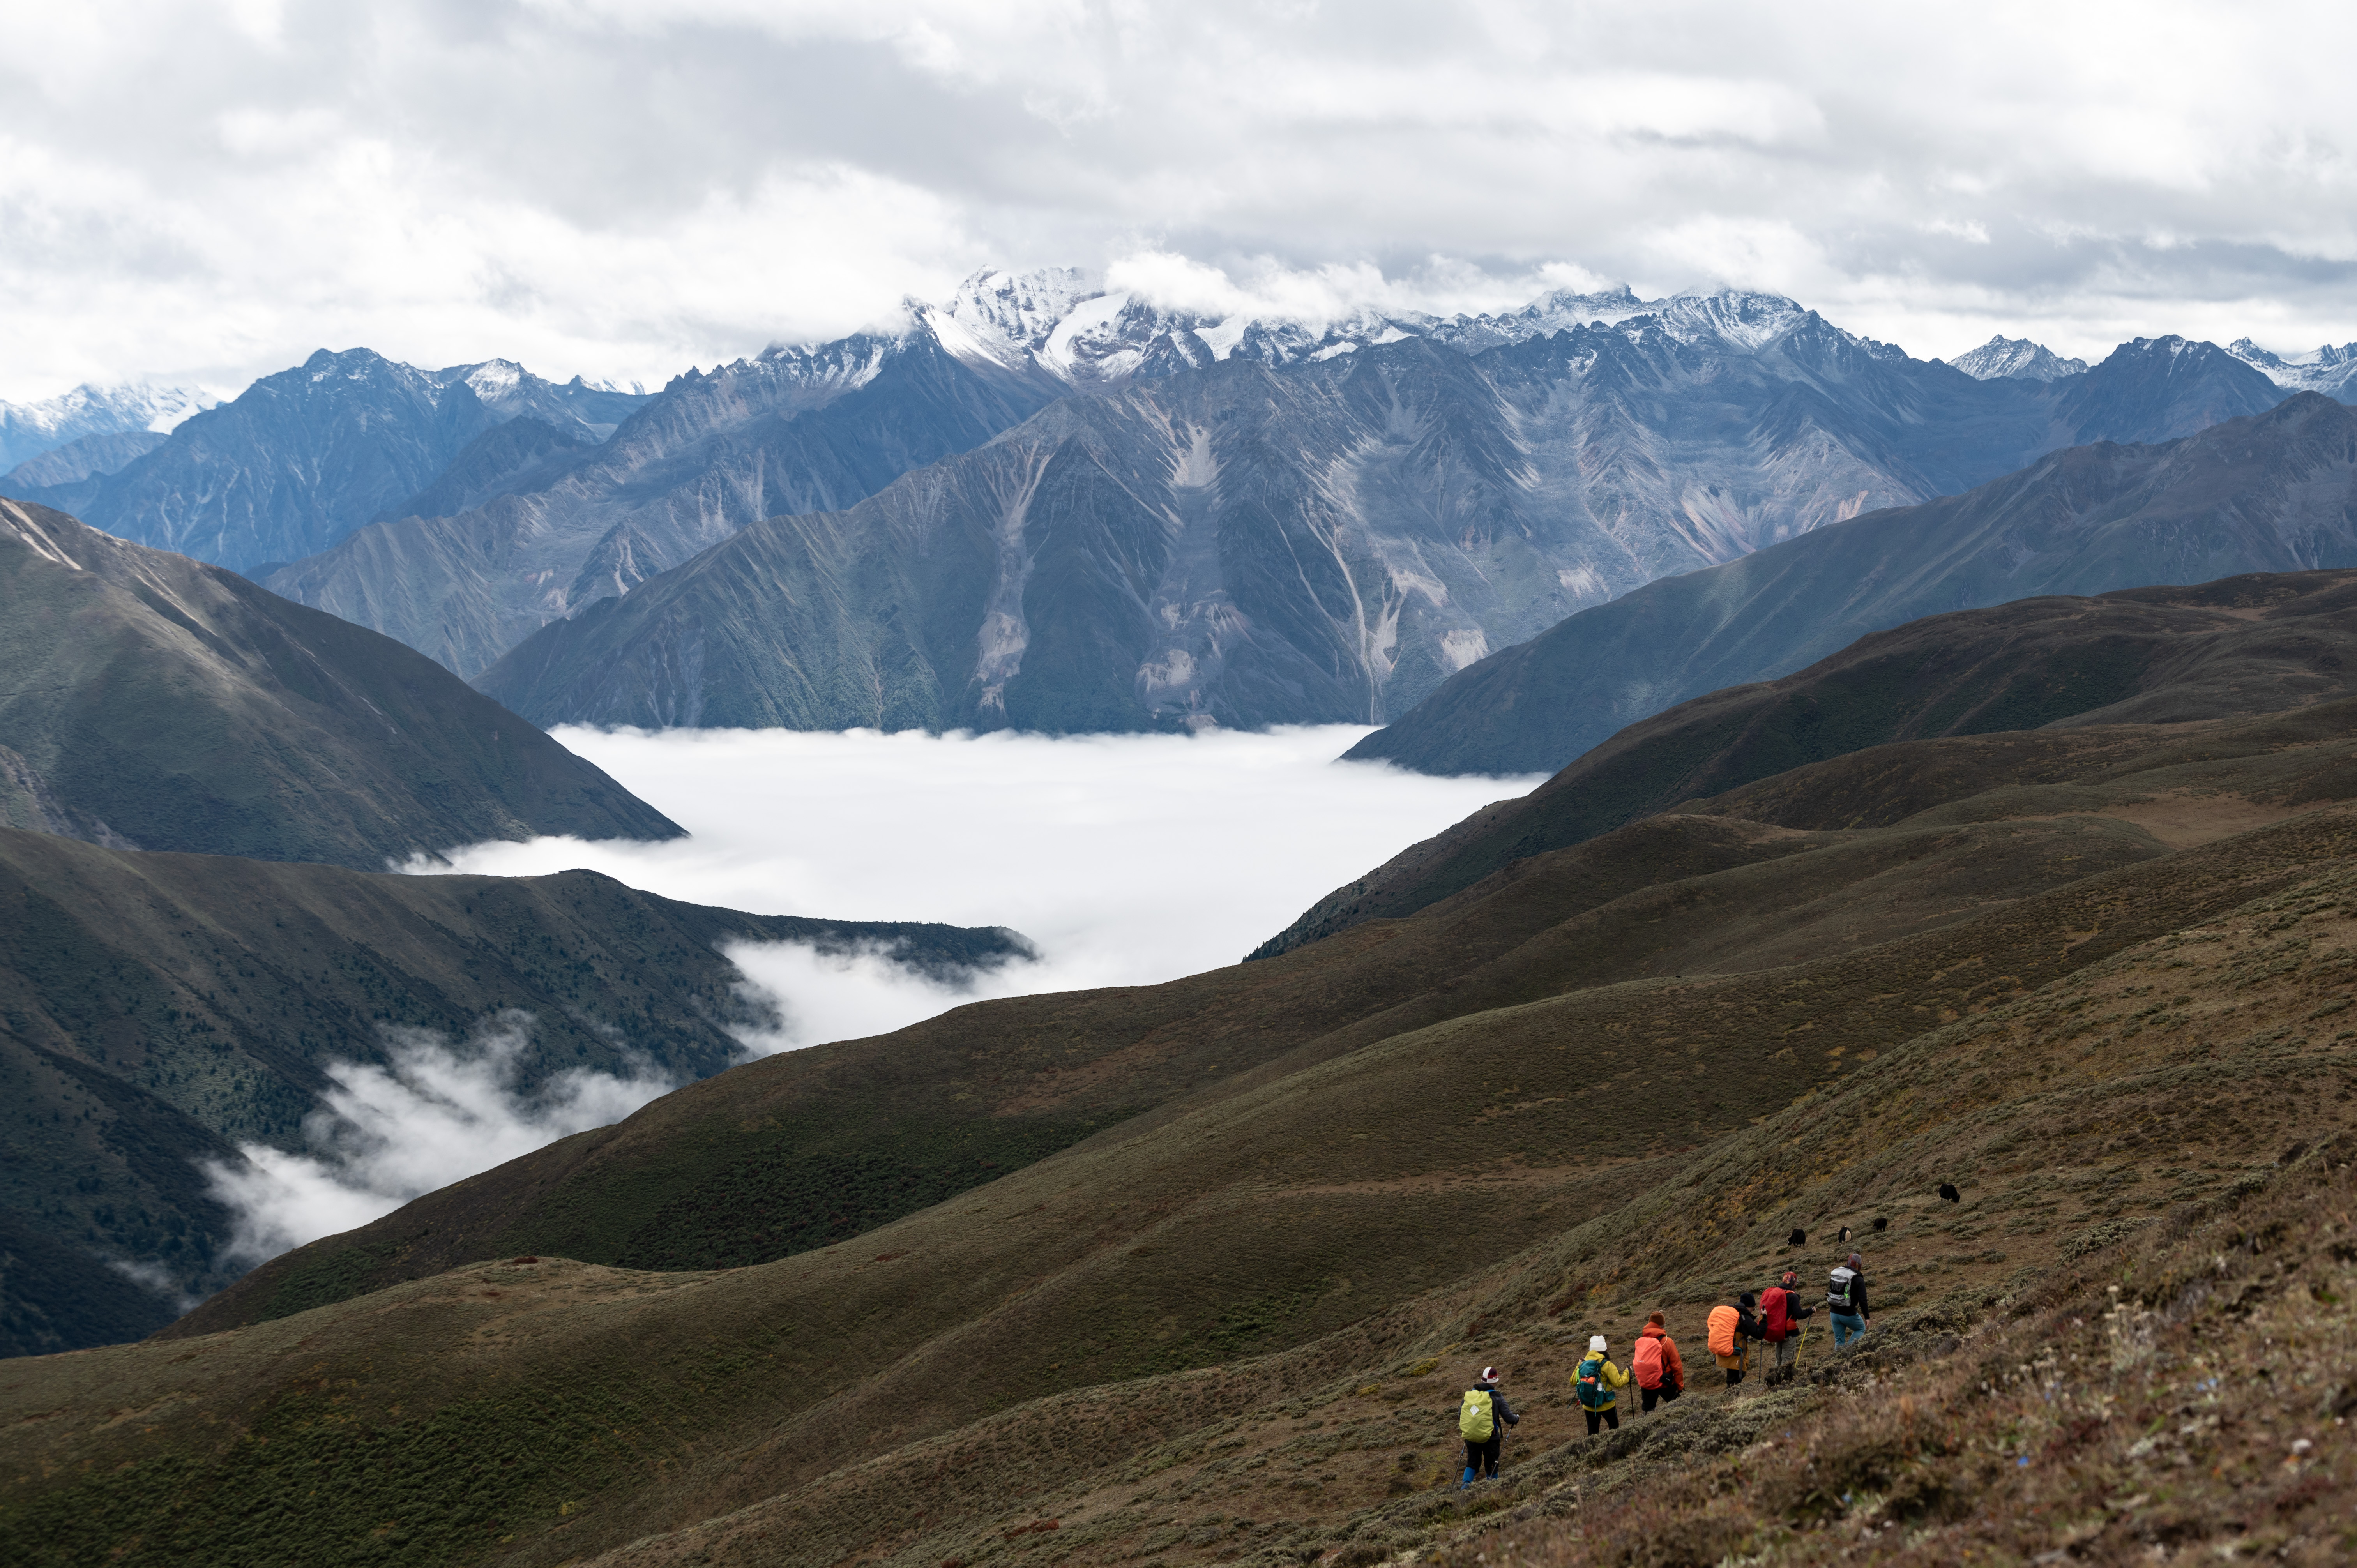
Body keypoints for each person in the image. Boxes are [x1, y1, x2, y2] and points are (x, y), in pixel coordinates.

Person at [1457, 1365, 1518, 1487]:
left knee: (1472, 1463)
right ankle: (1492, 1489)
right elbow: (1508, 1418)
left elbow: (1461, 1415)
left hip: (1472, 1436)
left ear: (1483, 1379)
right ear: (1495, 1381)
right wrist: (1517, 1418)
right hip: (1491, 1437)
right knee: (1492, 1464)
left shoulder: (1470, 1395)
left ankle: (1465, 1487)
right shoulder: (1497, 1397)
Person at [1759, 1270, 1815, 1384]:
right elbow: (1799, 1315)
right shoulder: (1792, 1296)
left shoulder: (1776, 1293)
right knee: (1787, 1363)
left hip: (1778, 1332)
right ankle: (1783, 1385)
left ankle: (1773, 1383)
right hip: (1789, 1333)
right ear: (1793, 1282)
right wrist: (1811, 1310)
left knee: (1778, 1361)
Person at [1573, 1333, 1631, 1434]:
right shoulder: (1607, 1365)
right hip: (1607, 1404)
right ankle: (1615, 1448)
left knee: (1593, 1433)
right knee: (1615, 1429)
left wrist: (1579, 1365)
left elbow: (1573, 1381)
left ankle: (1593, 1449)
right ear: (1604, 1350)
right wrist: (1627, 1373)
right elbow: (1618, 1383)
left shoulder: (1583, 1364)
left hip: (1589, 1405)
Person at [1707, 1291, 1767, 1388]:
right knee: (1735, 1380)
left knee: (1731, 1377)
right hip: (1737, 1353)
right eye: (1753, 1308)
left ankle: (1730, 1396)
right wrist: (1764, 1318)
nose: (1753, 1311)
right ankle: (1731, 1399)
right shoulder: (1745, 1318)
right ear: (1750, 1306)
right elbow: (1759, 1334)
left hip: (1730, 1350)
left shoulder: (1734, 1313)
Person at [1631, 1312, 1685, 1412]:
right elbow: (1677, 1367)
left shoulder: (1641, 1341)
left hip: (1647, 1383)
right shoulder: (1667, 1342)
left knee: (1648, 1411)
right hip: (1664, 1382)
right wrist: (1680, 1387)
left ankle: (1648, 1426)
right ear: (1662, 1325)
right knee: (1681, 1406)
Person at [1828, 1253, 1871, 1347]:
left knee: (1839, 1342)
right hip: (1848, 1314)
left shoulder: (1839, 1274)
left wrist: (1846, 1297)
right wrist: (1867, 1317)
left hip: (1834, 1313)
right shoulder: (1858, 1279)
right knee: (1861, 1329)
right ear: (1859, 1265)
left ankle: (1837, 1360)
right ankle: (1849, 1351)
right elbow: (1863, 1300)